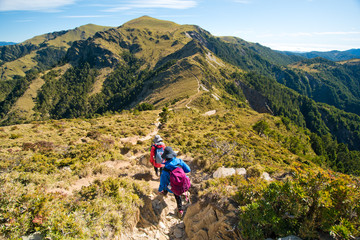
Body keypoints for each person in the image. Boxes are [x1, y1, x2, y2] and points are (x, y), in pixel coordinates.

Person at [158, 146, 191, 218]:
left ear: (165, 157)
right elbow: (188, 170)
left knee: (168, 185)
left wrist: (159, 189)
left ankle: (164, 192)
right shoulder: (179, 161)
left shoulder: (165, 168)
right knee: (177, 195)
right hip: (183, 184)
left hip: (173, 187)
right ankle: (180, 210)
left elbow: (163, 183)